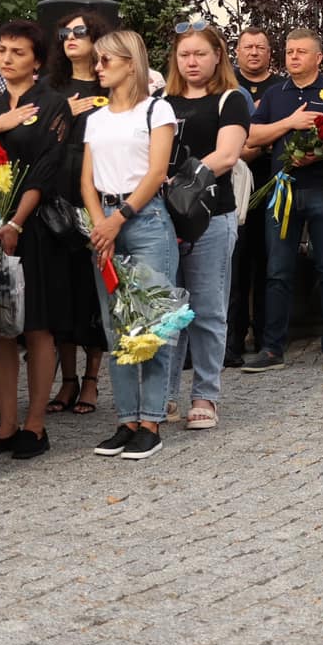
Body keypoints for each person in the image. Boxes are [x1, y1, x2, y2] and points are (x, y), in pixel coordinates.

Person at [0, 19, 69, 460]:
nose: (7, 59)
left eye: (17, 52)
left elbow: (47, 167)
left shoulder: (52, 103)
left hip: (32, 227)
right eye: (2, 51)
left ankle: (35, 424)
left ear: (38, 61)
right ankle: (6, 424)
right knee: (0, 330)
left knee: (36, 325)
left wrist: (16, 222)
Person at [81, 30, 180, 460]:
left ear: (130, 63)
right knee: (115, 325)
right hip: (106, 221)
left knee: (151, 323)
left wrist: (119, 219)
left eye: (105, 60)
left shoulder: (157, 110)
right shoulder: (97, 117)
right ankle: (126, 419)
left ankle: (151, 420)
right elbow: (86, 178)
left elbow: (157, 172)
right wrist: (100, 222)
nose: (98, 67)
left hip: (144, 219)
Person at [247, 29, 323, 372]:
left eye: (301, 52)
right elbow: (252, 135)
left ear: (318, 58)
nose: (293, 57)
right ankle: (272, 347)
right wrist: (289, 123)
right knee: (277, 270)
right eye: (290, 51)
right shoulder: (276, 94)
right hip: (283, 191)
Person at [162, 21, 250, 426]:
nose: (192, 61)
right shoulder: (162, 100)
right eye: (185, 54)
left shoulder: (231, 99)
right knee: (167, 308)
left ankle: (206, 395)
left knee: (208, 307)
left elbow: (227, 155)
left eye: (200, 53)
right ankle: (163, 393)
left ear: (218, 56)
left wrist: (178, 180)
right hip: (164, 217)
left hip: (210, 215)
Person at [37, 9, 115, 414]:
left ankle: (91, 380)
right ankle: (67, 379)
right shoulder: (50, 86)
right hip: (54, 194)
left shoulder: (110, 80)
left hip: (96, 189)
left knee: (92, 288)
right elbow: (37, 135)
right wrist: (65, 112)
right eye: (64, 32)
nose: (70, 38)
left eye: (80, 32)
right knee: (61, 292)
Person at [227, 27, 281, 367]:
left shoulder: (281, 88)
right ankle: (231, 341)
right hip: (232, 188)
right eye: (248, 47)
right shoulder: (227, 84)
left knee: (266, 263)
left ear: (269, 53)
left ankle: (264, 337)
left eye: (260, 47)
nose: (254, 52)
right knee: (234, 266)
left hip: (270, 184)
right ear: (237, 51)